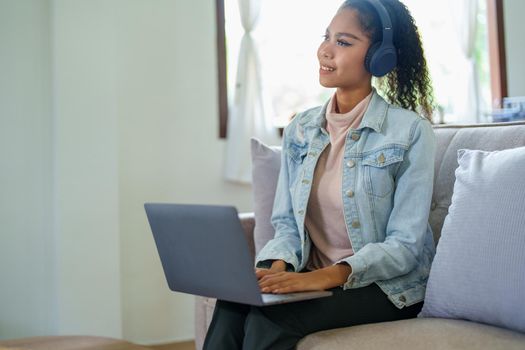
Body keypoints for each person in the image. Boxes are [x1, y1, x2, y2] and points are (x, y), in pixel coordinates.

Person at [204, 0, 436, 349]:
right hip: (318, 275)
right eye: (326, 37)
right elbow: (286, 224)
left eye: (343, 42)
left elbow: (403, 247)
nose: (325, 51)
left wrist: (321, 278)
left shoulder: (410, 132)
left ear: (379, 57)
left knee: (270, 318)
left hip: (386, 287)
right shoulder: (302, 129)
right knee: (233, 305)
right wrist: (277, 267)